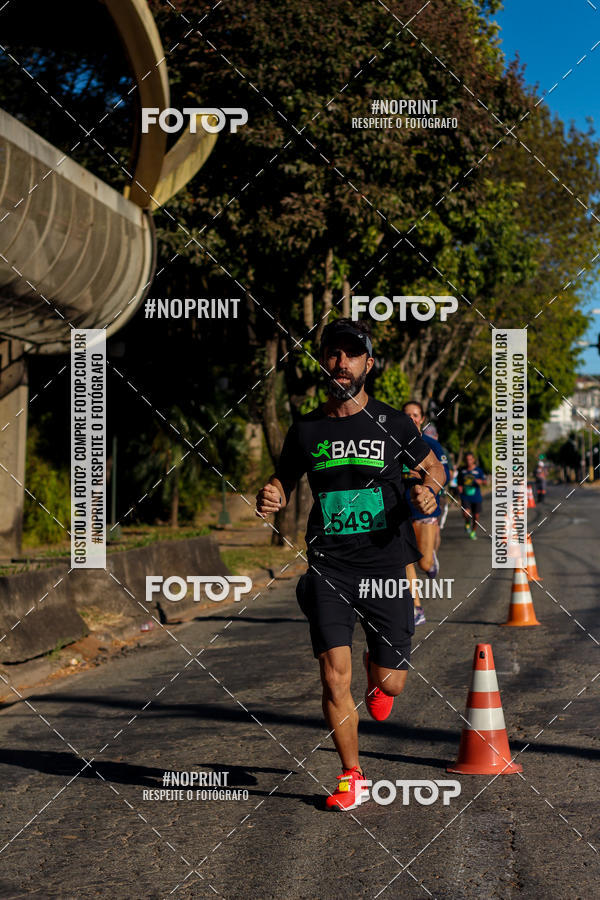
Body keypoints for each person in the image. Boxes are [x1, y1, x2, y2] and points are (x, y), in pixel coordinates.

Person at [255, 319, 446, 811]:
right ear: (324, 361)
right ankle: (351, 775)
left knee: (390, 683)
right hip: (329, 565)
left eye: (351, 354)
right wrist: (273, 493)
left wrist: (429, 487)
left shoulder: (394, 424)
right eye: (333, 354)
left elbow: (434, 467)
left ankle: (376, 667)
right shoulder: (306, 428)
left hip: (384, 565)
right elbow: (284, 479)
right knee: (331, 677)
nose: (341, 362)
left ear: (368, 364)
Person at [402, 403, 450, 626]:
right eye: (407, 415)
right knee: (403, 559)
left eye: (415, 415)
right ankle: (415, 608)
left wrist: (422, 474)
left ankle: (432, 561)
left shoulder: (431, 445)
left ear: (421, 419)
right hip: (398, 510)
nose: (411, 419)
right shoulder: (393, 444)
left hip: (424, 510)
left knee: (423, 562)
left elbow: (443, 474)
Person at [457, 452, 486, 538]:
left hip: (476, 496)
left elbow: (485, 481)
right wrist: (460, 487)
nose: (468, 461)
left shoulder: (478, 470)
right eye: (467, 459)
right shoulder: (462, 470)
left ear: (473, 460)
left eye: (470, 459)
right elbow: (459, 482)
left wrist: (479, 481)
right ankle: (467, 522)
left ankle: (473, 531)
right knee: (466, 513)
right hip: (465, 496)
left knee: (476, 516)